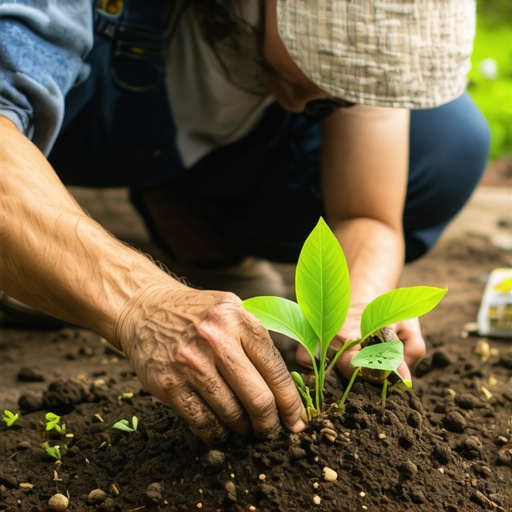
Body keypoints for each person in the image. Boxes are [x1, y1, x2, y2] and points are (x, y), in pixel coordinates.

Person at [0, 0, 489, 447]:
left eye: (335, 93)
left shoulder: (375, 34)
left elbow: (366, 213)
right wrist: (142, 301)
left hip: (189, 140)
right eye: (314, 59)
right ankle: (39, 239)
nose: (302, 105)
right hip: (70, 119)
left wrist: (356, 303)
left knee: (445, 141)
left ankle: (191, 217)